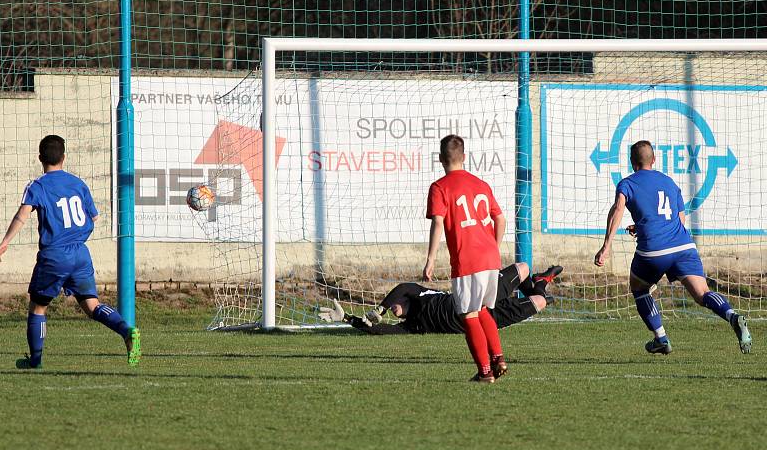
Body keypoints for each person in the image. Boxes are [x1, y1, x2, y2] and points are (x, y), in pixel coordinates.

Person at [0, 134, 141, 369]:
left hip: (55, 254)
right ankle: (126, 330)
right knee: (91, 305)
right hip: (80, 253)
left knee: (38, 306)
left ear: (40, 158)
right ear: (64, 157)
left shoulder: (38, 185)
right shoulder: (77, 183)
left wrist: (5, 241)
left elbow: (22, 215)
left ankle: (35, 360)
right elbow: (93, 216)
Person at [594, 140, 751, 355]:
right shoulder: (669, 183)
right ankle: (732, 315)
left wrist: (606, 247)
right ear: (654, 160)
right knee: (702, 293)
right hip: (683, 246)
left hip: (654, 251)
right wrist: (643, 227)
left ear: (632, 162)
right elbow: (680, 219)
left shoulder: (627, 183)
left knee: (639, 288)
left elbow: (618, 209)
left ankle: (661, 338)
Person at [422, 134, 506, 383]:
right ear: (465, 157)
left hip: (467, 259)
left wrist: (430, 259)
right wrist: (494, 246)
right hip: (490, 257)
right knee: (480, 310)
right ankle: (498, 358)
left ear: (440, 159)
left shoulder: (440, 187)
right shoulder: (480, 183)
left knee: (468, 315)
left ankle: (484, 372)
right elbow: (500, 218)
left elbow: (438, 222)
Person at [318, 264, 562, 336]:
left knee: (522, 268)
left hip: (475, 296)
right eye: (392, 312)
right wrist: (348, 318)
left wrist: (380, 309)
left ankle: (538, 280)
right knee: (540, 301)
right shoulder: (413, 326)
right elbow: (378, 331)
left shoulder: (421, 293)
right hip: (483, 319)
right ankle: (541, 284)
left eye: (395, 305)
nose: (394, 310)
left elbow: (402, 287)